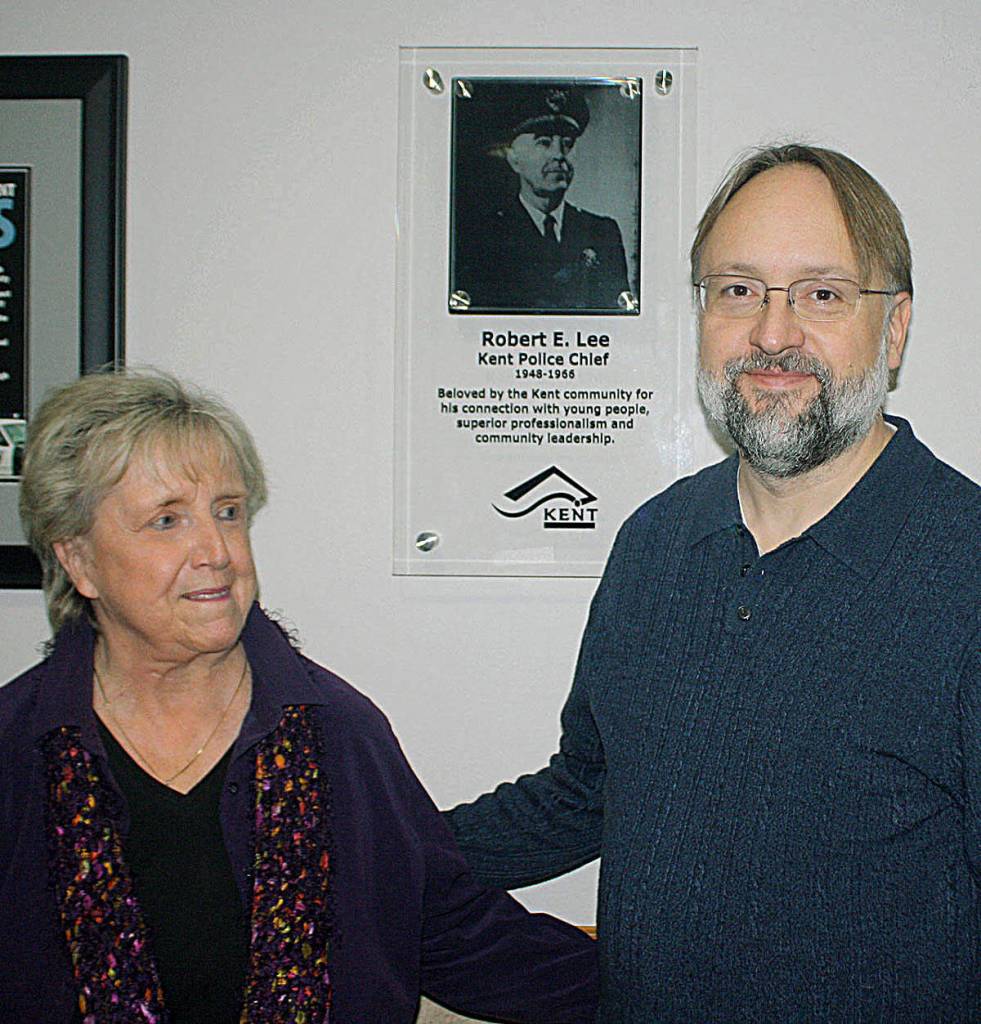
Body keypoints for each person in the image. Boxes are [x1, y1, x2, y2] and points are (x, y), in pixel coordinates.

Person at [447, 144, 980, 1021]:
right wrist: (365, 843)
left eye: (820, 293)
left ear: (893, 327)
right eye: (737, 290)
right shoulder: (655, 544)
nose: (772, 334)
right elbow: (589, 790)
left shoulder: (963, 572)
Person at [0, 369, 598, 1024]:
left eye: (227, 512)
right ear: (79, 561)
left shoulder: (335, 731)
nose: (216, 550)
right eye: (166, 520)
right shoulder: (16, 749)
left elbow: (454, 934)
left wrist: (678, 986)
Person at [454, 84, 630, 312]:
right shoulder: (484, 236)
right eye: (544, 143)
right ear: (514, 158)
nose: (558, 155)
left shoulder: (602, 233)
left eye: (567, 143)